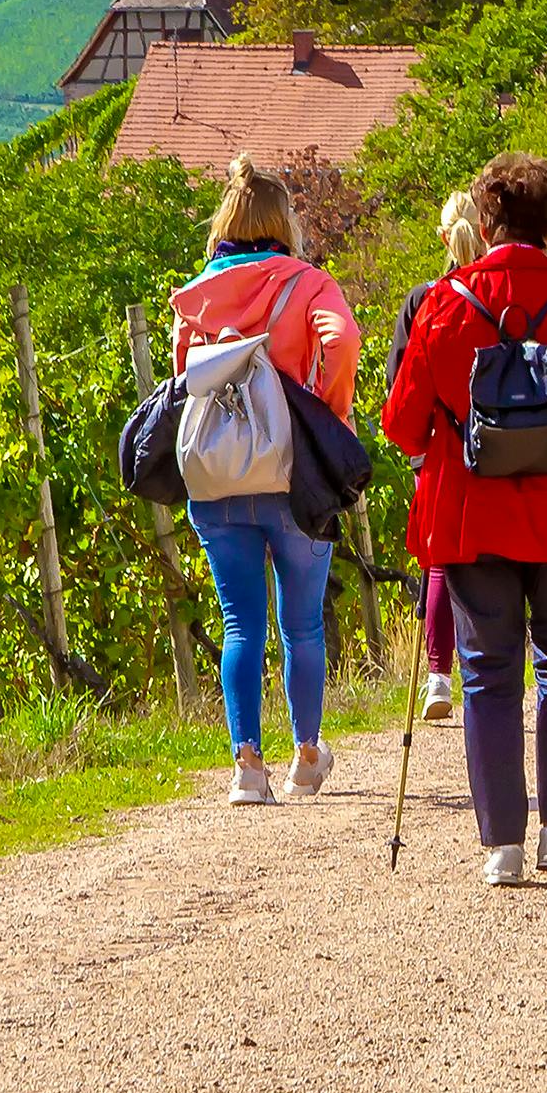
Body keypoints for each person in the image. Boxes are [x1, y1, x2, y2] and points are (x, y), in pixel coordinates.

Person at [380, 151, 547, 886]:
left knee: (486, 673)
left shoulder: (441, 303)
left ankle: (500, 843)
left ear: (485, 220)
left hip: (469, 520)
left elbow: (401, 426)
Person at [168, 155, 364, 808]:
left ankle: (246, 766)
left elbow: (181, 377)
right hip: (290, 472)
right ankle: (306, 755)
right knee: (301, 625)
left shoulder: (197, 291)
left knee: (239, 623)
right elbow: (342, 342)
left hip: (217, 474)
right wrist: (323, 410)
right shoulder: (308, 283)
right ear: (283, 223)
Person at [386, 191, 486, 725]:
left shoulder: (425, 298)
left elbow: (398, 384)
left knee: (441, 559)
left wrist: (421, 446)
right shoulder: (499, 290)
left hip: (442, 450)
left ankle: (438, 674)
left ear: (443, 237)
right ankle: (494, 671)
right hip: (506, 450)